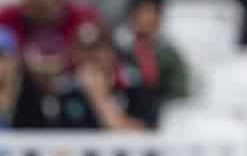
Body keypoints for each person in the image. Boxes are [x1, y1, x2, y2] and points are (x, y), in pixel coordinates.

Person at [12, 22, 156, 130]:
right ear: (74, 54)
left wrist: (98, 97)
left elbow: (140, 136)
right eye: (83, 49)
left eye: (97, 48)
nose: (90, 56)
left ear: (111, 52)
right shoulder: (64, 91)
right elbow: (54, 139)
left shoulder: (133, 85)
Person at [0, 0, 100, 57]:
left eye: (45, 7)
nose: (40, 12)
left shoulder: (82, 17)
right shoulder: (7, 18)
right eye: (35, 1)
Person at [115, 0, 190, 111]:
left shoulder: (169, 55)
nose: (148, 18)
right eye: (142, 12)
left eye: (154, 12)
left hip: (158, 114)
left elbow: (180, 91)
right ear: (131, 16)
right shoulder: (116, 50)